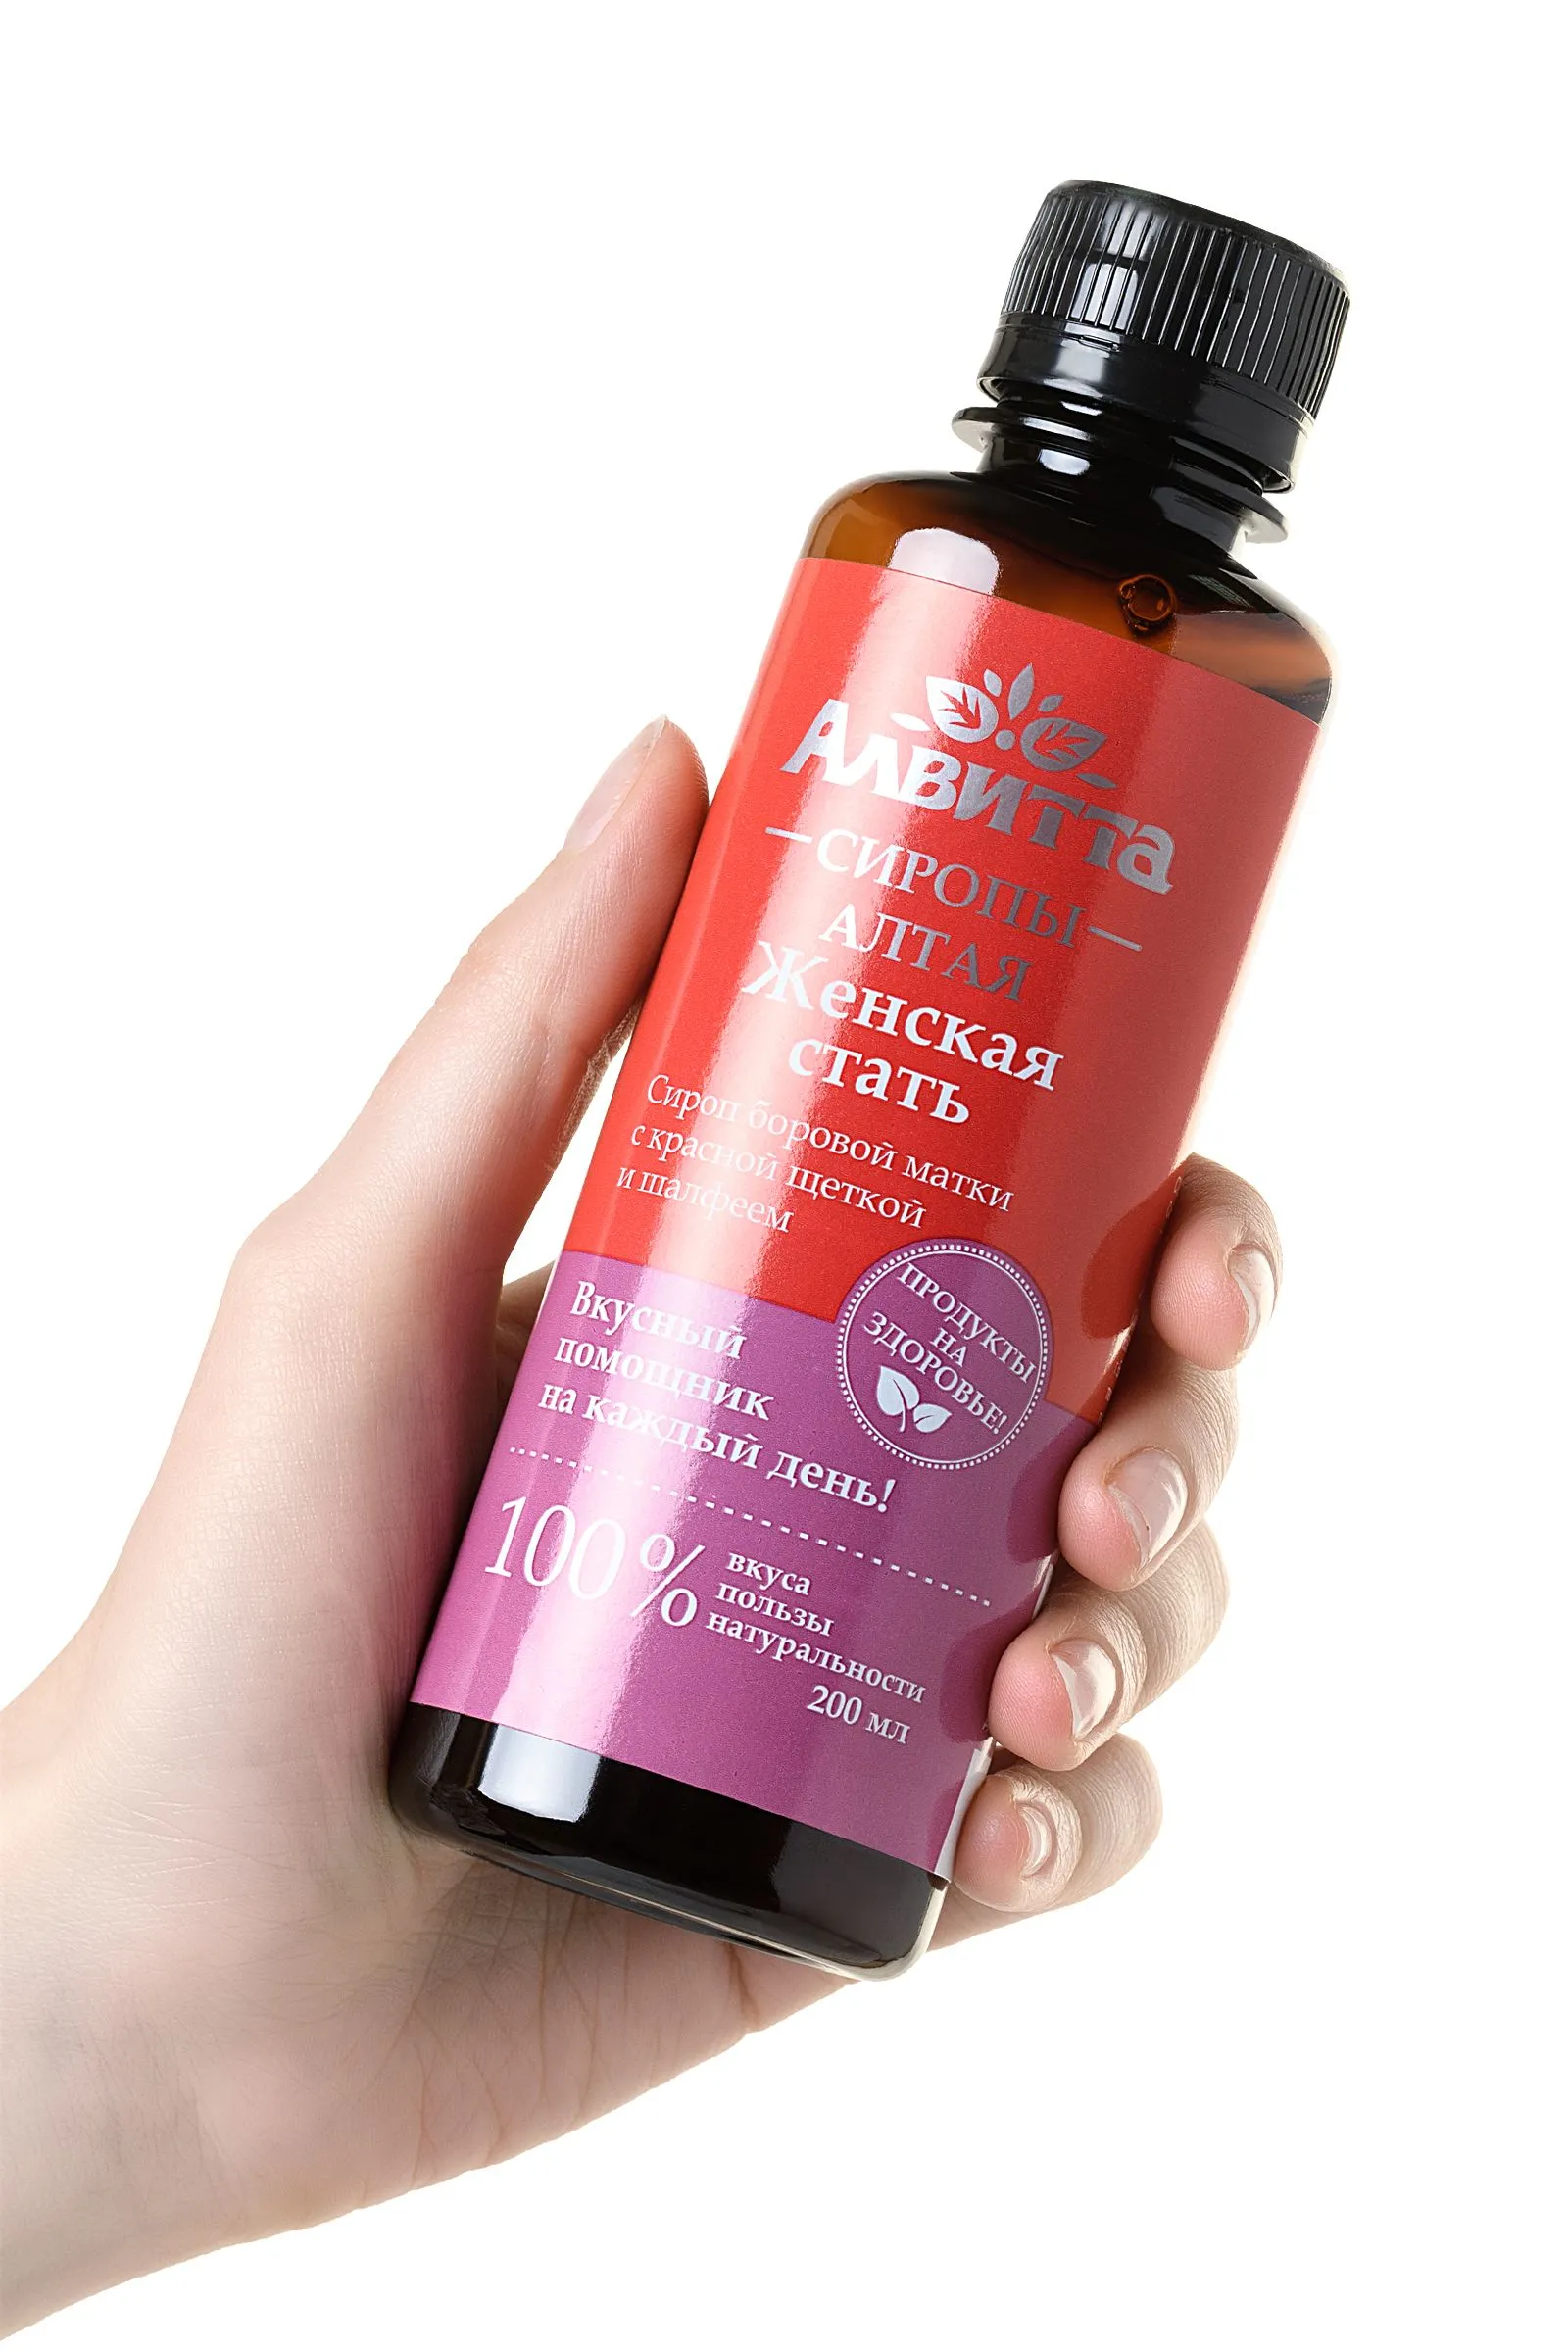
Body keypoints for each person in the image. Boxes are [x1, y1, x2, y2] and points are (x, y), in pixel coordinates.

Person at [0, 721, 1277, 2330]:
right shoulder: (911, 598)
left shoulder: (1237, 696)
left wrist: (145, 2088)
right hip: (525, 1662)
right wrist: (115, 2047)